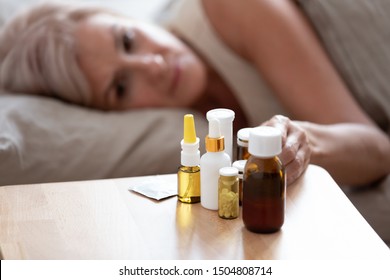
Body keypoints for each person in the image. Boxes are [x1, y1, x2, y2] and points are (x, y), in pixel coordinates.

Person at [0, 0, 389, 187]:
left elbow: (379, 150)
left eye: (128, 40)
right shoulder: (191, 133)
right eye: (120, 87)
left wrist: (307, 144)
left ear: (128, 18)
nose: (151, 66)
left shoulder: (233, 8)